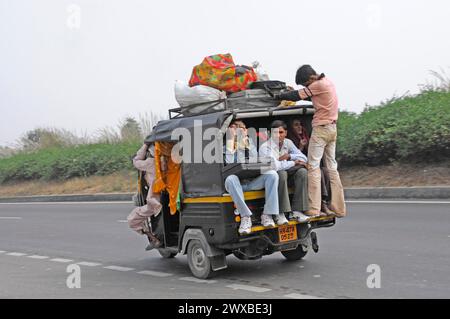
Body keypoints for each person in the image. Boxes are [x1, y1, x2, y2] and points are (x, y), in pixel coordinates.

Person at [273, 65, 346, 218]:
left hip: (321, 130)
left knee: (313, 167)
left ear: (311, 79)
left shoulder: (317, 84)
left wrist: (279, 96)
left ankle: (313, 208)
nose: (307, 87)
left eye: (306, 84)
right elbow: (302, 94)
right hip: (333, 128)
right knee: (332, 168)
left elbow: (296, 96)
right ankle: (339, 208)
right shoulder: (328, 82)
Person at [224, 120, 282, 234]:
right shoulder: (226, 146)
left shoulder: (249, 143)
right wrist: (232, 143)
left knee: (272, 174)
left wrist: (246, 144)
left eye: (244, 129)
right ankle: (245, 217)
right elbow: (229, 164)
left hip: (250, 182)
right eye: (239, 129)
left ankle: (267, 214)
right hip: (236, 184)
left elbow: (256, 161)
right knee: (231, 178)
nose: (243, 131)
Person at [259, 120, 310, 223]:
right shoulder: (265, 147)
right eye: (275, 133)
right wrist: (293, 163)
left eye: (281, 132)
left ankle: (296, 211)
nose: (278, 135)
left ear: (285, 133)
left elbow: (304, 158)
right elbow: (275, 166)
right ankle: (280, 213)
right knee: (281, 174)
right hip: (270, 180)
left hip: (287, 175)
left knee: (302, 172)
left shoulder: (288, 142)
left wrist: (289, 156)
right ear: (270, 134)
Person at [287, 118, 334, 216]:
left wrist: (307, 146)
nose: (299, 127)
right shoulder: (289, 140)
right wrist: (300, 147)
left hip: (308, 166)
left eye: (300, 124)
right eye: (296, 125)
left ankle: (325, 202)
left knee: (325, 171)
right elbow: (290, 158)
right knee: (317, 172)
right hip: (296, 169)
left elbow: (312, 157)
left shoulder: (306, 138)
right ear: (291, 128)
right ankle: (320, 205)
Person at [127, 138, 163, 251]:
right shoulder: (165, 160)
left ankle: (154, 239)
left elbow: (136, 161)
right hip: (165, 195)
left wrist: (144, 145)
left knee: (132, 219)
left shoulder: (150, 163)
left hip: (155, 200)